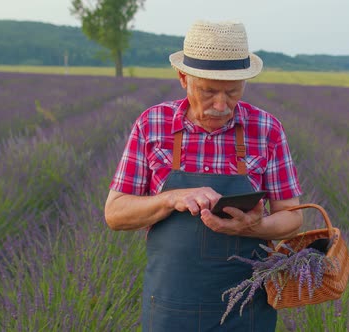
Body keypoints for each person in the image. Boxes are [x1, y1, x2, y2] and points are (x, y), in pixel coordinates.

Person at [104, 20, 303, 331]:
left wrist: (255, 227)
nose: (221, 105)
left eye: (233, 91)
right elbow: (115, 215)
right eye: (209, 91)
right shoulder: (152, 124)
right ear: (184, 78)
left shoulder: (266, 129)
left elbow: (292, 217)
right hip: (170, 306)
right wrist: (171, 198)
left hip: (246, 309)